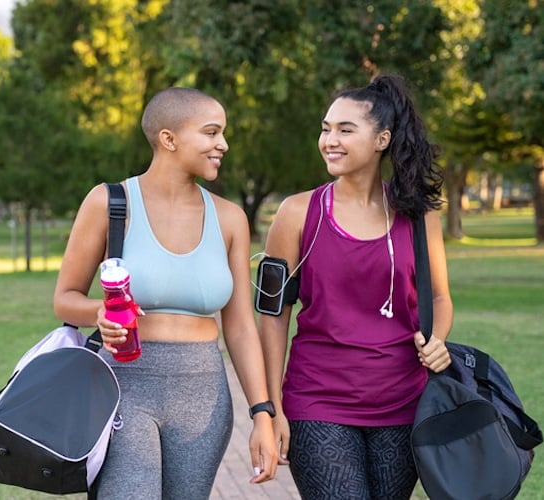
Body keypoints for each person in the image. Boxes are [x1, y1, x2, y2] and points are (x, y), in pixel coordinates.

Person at [53, 87, 278, 498]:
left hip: (203, 396)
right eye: (211, 133)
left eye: (222, 133)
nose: (222, 144)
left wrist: (262, 412)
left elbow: (242, 327)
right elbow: (65, 297)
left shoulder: (230, 219)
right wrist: (99, 313)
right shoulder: (109, 203)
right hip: (123, 385)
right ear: (169, 139)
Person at [257, 74, 454, 499]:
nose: (330, 140)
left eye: (346, 130)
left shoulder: (419, 216)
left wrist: (439, 339)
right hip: (317, 401)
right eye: (326, 129)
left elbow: (438, 296)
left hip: (404, 404)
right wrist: (270, 409)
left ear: (382, 139)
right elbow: (272, 317)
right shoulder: (296, 213)